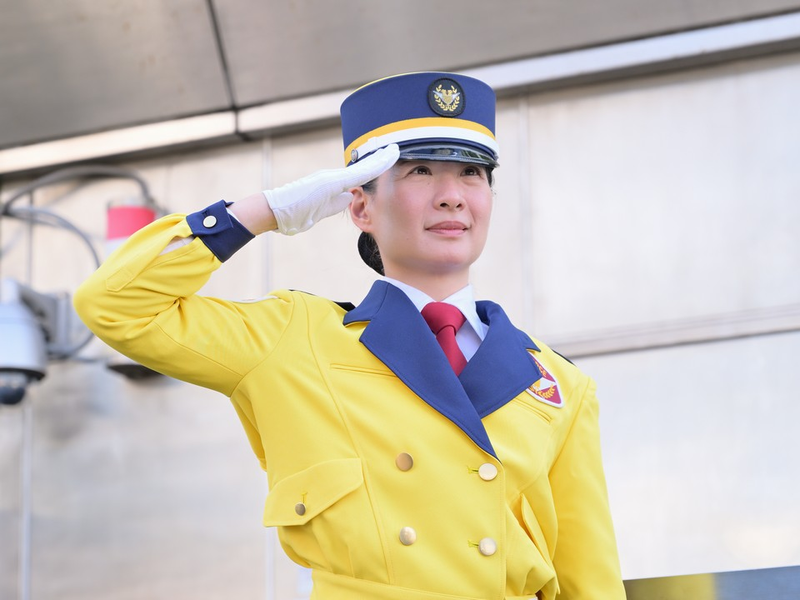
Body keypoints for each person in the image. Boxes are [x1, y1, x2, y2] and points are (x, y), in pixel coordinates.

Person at [74, 72, 626, 600]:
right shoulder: (294, 338)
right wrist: (265, 212)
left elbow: (589, 580)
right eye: (419, 171)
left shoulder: (559, 384)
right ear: (360, 205)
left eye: (471, 173)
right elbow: (116, 305)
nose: (452, 196)